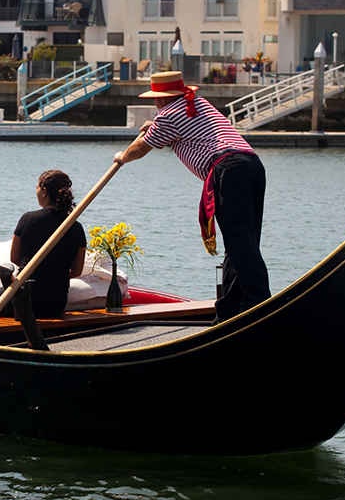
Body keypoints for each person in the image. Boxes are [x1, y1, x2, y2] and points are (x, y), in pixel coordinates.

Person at [113, 71, 270, 321]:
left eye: (156, 99)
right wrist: (154, 127)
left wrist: (122, 157)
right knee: (243, 241)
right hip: (251, 165)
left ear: (162, 98)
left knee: (239, 242)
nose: (156, 103)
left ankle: (259, 303)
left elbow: (141, 148)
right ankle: (231, 309)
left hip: (229, 170)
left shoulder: (168, 115)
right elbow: (183, 130)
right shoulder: (198, 103)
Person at [0, 170, 87, 320]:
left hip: (27, 297)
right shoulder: (76, 227)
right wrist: (54, 277)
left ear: (44, 191)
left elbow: (15, 258)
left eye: (37, 187)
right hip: (56, 301)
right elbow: (77, 271)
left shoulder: (28, 219)